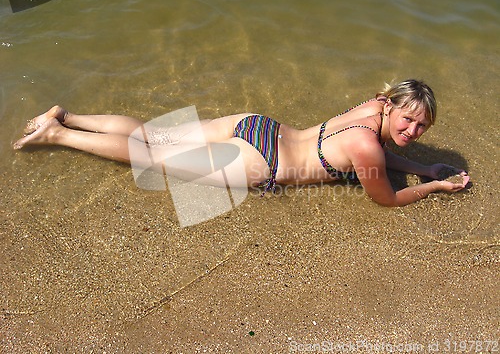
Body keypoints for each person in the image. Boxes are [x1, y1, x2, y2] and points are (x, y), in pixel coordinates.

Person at [13, 79, 468, 206]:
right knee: (150, 157)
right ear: (392, 108)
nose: (411, 133)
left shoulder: (372, 108)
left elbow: (367, 147)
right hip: (260, 161)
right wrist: (433, 186)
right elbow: (387, 198)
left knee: (154, 133)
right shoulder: (370, 147)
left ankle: (65, 113)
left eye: (421, 128)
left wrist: (422, 166)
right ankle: (58, 133)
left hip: (259, 127)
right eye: (409, 121)